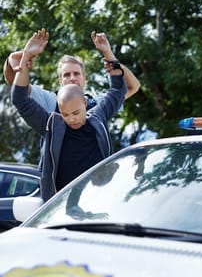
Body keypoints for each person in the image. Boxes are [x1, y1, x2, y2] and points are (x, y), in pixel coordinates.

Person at [11, 29, 127, 202]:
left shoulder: (98, 116)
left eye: (76, 113)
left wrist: (108, 54)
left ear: (85, 104)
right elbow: (20, 99)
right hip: (60, 204)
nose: (71, 119)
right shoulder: (50, 125)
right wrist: (26, 55)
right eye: (65, 114)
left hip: (101, 199)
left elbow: (118, 89)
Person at [3, 31, 140, 112]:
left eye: (76, 73)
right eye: (66, 75)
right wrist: (17, 58)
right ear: (60, 81)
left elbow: (132, 87)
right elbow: (16, 84)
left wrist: (110, 56)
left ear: (84, 78)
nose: (72, 78)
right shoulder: (49, 101)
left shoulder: (98, 104)